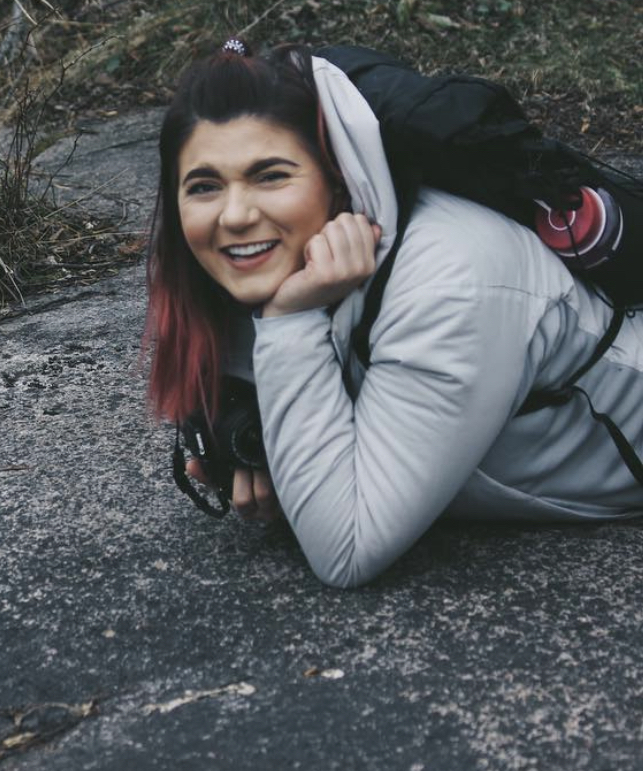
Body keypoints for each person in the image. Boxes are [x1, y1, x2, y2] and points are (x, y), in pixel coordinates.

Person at [145, 38, 643, 589]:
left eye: (271, 176)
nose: (235, 215)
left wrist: (289, 322)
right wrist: (245, 432)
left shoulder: (452, 280)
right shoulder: (276, 256)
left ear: (337, 180)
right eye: (205, 186)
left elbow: (346, 548)